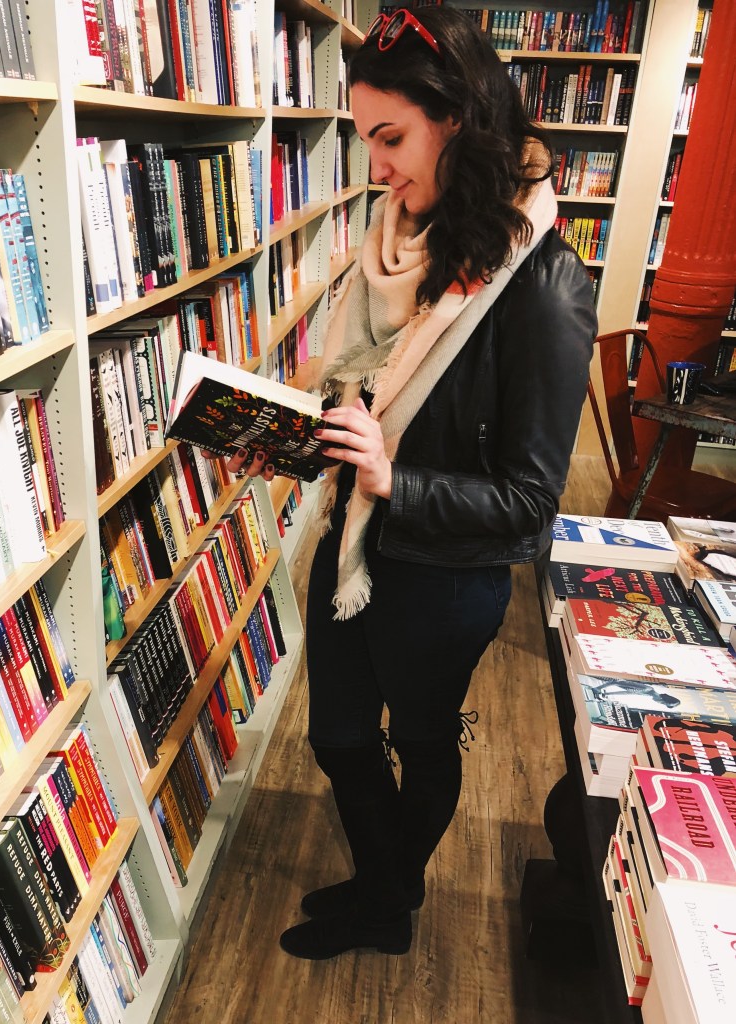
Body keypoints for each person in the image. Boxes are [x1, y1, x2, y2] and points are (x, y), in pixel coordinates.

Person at [226, 6, 597, 960]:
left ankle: (387, 901)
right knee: (339, 739)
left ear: (458, 120)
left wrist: (396, 478)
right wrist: (284, 441)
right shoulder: (394, 244)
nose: (377, 167)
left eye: (391, 138)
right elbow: (360, 405)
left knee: (423, 743)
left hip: (442, 573)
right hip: (354, 542)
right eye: (365, 139)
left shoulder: (544, 285)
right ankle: (387, 891)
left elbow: (529, 505)